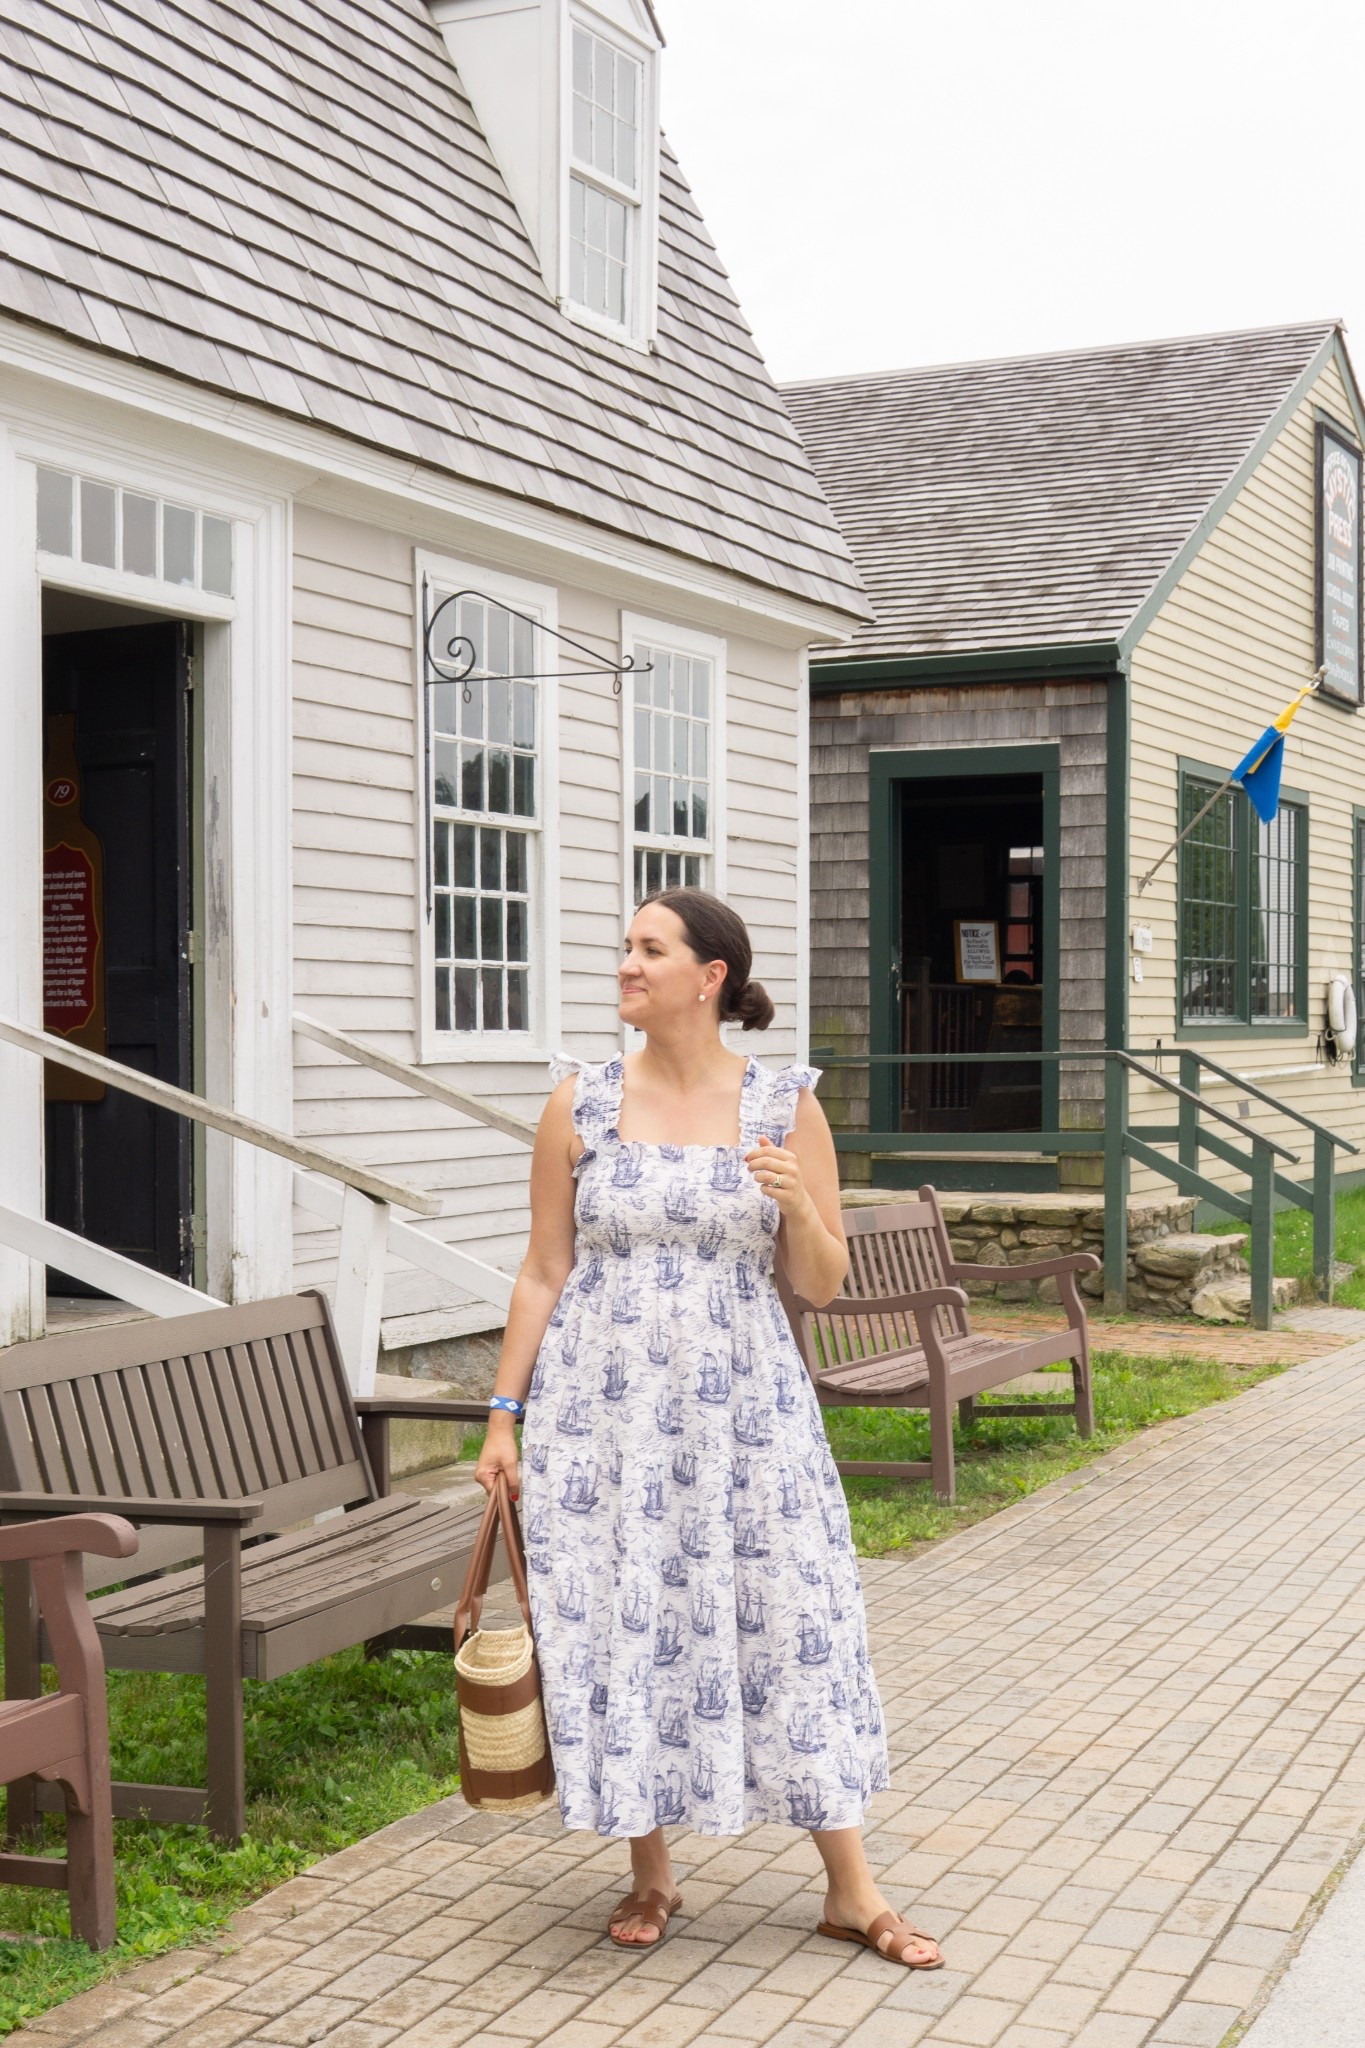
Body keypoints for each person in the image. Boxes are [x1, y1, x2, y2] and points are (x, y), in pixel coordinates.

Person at [475, 889, 941, 1968]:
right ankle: (650, 1870)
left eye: (650, 948)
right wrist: (503, 1414)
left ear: (710, 974)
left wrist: (801, 1208)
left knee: (784, 1608)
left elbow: (821, 1285)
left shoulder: (784, 1107)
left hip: (749, 1416)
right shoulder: (580, 1102)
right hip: (603, 1419)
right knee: (622, 1616)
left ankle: (851, 1888)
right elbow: (545, 1268)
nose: (626, 964)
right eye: (625, 947)